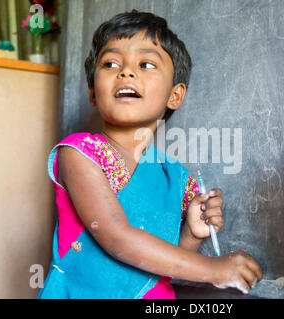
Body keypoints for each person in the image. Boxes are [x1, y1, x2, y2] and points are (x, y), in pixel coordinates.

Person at [38, 10, 262, 299]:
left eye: (145, 64)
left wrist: (192, 234)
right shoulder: (79, 153)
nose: (126, 72)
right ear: (93, 91)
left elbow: (161, 269)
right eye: (110, 63)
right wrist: (213, 268)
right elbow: (117, 237)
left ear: (175, 95)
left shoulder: (174, 176)